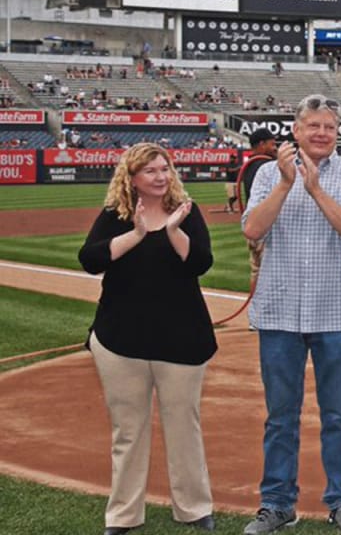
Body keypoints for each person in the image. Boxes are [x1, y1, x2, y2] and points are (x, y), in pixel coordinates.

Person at [241, 94, 341, 535]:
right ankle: (277, 503)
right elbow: (253, 229)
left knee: (338, 414)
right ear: (295, 130)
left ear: (338, 133)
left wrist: (315, 186)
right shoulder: (267, 172)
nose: (321, 133)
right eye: (313, 126)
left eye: (329, 127)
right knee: (280, 416)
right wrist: (285, 183)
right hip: (279, 311)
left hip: (334, 311)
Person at [80, 143, 216, 535]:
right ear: (133, 178)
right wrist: (137, 234)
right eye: (151, 171)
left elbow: (201, 263)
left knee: (183, 426)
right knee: (128, 431)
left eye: (165, 169)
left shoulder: (186, 213)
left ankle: (193, 508)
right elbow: (91, 260)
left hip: (182, 337)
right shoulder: (115, 216)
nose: (161, 176)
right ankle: (123, 516)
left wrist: (172, 230)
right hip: (121, 338)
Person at [239, 128, 279, 293]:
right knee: (272, 274)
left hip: (254, 225)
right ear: (262, 144)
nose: (275, 148)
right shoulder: (266, 166)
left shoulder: (251, 165)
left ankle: (256, 312)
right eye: (272, 144)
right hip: (266, 227)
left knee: (257, 271)